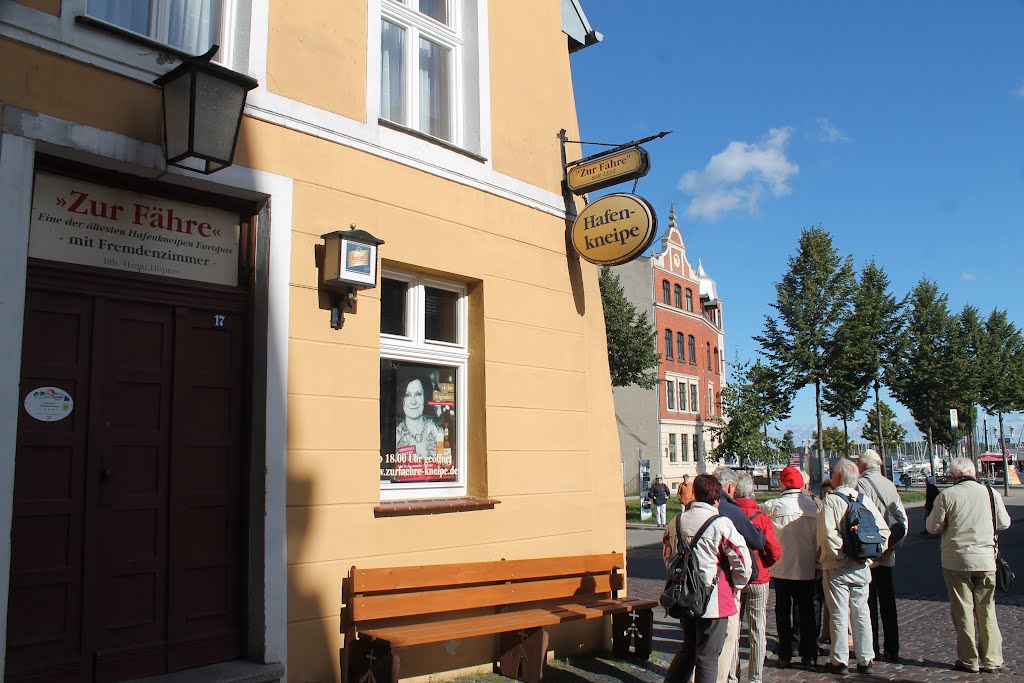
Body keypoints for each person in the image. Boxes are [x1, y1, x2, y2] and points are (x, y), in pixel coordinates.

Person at [925, 457, 1011, 674]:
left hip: (957, 560)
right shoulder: (990, 493)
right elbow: (1004, 523)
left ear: (954, 475)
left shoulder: (947, 496)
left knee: (963, 610)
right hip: (985, 559)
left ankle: (969, 659)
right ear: (974, 472)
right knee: (987, 610)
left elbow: (933, 527)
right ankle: (992, 659)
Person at [663, 474, 751, 683]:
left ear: (694, 494)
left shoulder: (676, 521)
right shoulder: (721, 524)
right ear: (717, 497)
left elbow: (668, 555)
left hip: (685, 594)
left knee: (688, 648)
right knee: (708, 656)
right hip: (715, 598)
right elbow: (742, 560)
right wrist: (736, 584)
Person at [818, 459, 890, 676]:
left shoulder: (831, 501)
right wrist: (867, 557)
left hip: (838, 567)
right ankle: (865, 658)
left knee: (839, 612)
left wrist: (842, 555)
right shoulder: (864, 500)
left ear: (837, 477)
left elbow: (827, 534)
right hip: (862, 567)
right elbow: (883, 532)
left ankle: (839, 660)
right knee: (862, 612)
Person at [711, 468, 767, 683]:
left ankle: (732, 676)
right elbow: (760, 542)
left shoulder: (694, 508)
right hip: (735, 579)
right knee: (740, 630)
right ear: (729, 487)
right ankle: (752, 677)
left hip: (704, 581)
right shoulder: (732, 510)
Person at [762, 466, 820, 669]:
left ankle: (785, 653)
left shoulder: (772, 506)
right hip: (807, 566)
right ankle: (809, 653)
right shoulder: (813, 506)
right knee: (807, 610)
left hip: (781, 567)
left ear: (783, 483)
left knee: (782, 610)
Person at [855, 449, 908, 663]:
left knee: (868, 602)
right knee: (888, 600)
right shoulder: (889, 484)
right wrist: (893, 545)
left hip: (869, 548)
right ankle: (892, 647)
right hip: (887, 551)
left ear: (864, 465)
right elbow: (901, 518)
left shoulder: (861, 485)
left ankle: (872, 645)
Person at [729, 471, 781, 683]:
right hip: (759, 579)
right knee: (757, 630)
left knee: (732, 630)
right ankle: (756, 678)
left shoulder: (728, 516)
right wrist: (763, 565)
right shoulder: (761, 518)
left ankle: (732, 676)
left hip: (734, 579)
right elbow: (774, 551)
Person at [395, 375, 443, 461]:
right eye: (407, 395)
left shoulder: (438, 433)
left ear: (425, 397)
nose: (413, 402)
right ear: (401, 399)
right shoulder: (395, 435)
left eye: (418, 394)